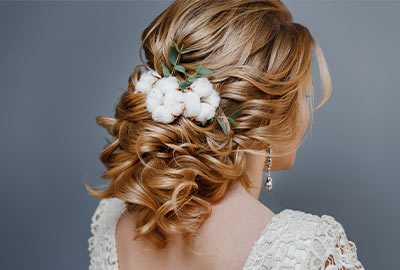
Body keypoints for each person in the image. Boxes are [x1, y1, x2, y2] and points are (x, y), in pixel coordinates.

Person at [86, 0, 365, 269]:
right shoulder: (306, 251)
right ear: (265, 111)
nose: (306, 110)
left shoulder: (114, 223)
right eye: (304, 95)